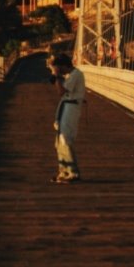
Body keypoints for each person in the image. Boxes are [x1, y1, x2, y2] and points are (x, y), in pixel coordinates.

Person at [50, 54, 86, 184]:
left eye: (59, 67)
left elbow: (60, 91)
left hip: (71, 107)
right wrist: (56, 76)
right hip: (66, 106)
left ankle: (73, 172)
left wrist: (57, 75)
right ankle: (63, 171)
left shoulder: (76, 74)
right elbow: (60, 89)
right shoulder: (70, 75)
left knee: (65, 139)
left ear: (64, 65)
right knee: (59, 142)